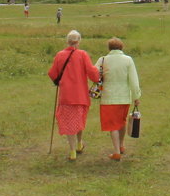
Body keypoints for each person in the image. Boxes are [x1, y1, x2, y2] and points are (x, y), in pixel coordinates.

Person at [47, 31, 102, 161]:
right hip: (80, 95)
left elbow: (52, 73)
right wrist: (98, 76)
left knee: (68, 122)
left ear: (67, 41)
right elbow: (92, 73)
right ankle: (79, 143)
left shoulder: (60, 55)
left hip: (66, 95)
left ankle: (72, 150)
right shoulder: (83, 54)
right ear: (79, 41)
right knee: (79, 120)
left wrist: (59, 81)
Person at [99, 37, 142, 161]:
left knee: (113, 126)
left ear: (109, 48)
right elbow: (134, 81)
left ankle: (116, 151)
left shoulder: (103, 60)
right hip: (124, 98)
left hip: (108, 97)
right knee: (121, 122)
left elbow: (95, 74)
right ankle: (122, 145)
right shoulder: (128, 60)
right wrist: (136, 96)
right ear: (121, 47)